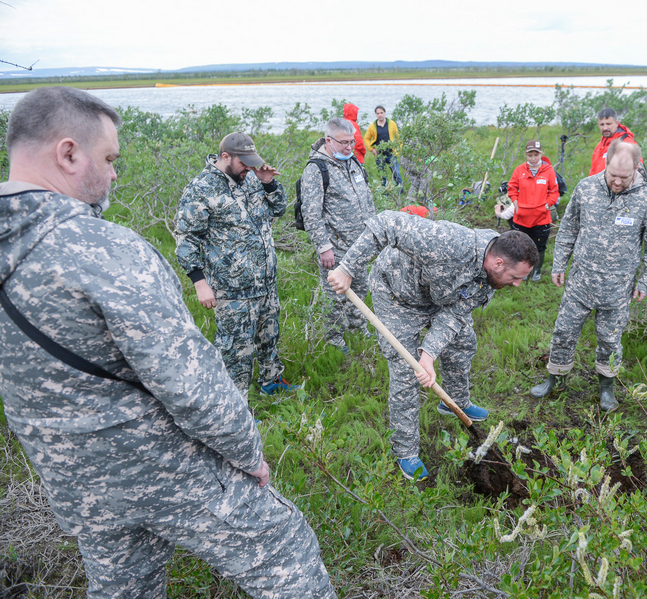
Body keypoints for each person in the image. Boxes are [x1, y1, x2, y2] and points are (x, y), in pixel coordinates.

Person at [0, 86, 336, 598]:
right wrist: (248, 453)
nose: (114, 172)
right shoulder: (106, 250)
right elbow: (190, 382)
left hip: (74, 479)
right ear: (68, 153)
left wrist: (268, 182)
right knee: (285, 548)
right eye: (109, 157)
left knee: (123, 586)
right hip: (153, 464)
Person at [328, 211, 538, 480]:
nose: (518, 285)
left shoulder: (490, 279)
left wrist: (428, 356)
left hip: (438, 298)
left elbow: (454, 316)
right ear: (498, 263)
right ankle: (405, 450)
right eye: (515, 277)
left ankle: (454, 402)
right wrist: (347, 269)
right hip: (397, 297)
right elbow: (386, 224)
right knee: (406, 371)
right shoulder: (447, 243)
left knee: (463, 341)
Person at [531, 140, 647, 411]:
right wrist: (559, 264)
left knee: (610, 340)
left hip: (618, 289)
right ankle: (555, 380)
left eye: (624, 177)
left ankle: (607, 388)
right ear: (605, 165)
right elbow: (569, 227)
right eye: (613, 175)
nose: (617, 182)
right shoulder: (586, 188)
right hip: (580, 283)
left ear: (636, 168)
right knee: (563, 333)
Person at [175, 131, 300, 397]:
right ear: (225, 157)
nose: (249, 168)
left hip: (265, 281)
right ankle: (235, 406)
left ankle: (271, 380)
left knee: (269, 336)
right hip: (232, 290)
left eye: (252, 163)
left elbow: (278, 210)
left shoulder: (252, 179)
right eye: (244, 163)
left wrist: (267, 183)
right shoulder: (201, 188)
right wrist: (199, 282)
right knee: (235, 350)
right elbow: (186, 239)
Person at [301, 118, 378, 352]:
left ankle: (358, 329)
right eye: (344, 142)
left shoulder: (352, 162)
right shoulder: (316, 169)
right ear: (329, 141)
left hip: (359, 245)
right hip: (335, 248)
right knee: (335, 297)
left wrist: (374, 233)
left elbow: (367, 198)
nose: (349, 146)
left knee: (361, 289)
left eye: (352, 141)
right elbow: (311, 213)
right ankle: (334, 339)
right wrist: (324, 247)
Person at [494, 139, 560, 282]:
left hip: (541, 219)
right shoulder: (519, 170)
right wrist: (516, 204)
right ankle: (522, 272)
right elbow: (512, 188)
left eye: (536, 154)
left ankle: (536, 271)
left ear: (541, 154)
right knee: (522, 246)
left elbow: (554, 192)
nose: (533, 158)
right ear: (526, 155)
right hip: (522, 218)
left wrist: (546, 206)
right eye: (530, 155)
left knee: (539, 246)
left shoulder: (548, 171)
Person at [589, 108, 639, 176]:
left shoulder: (627, 143)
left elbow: (636, 174)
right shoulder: (599, 145)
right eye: (602, 124)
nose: (605, 128)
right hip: (598, 185)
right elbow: (592, 172)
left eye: (608, 124)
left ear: (616, 123)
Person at [363, 105, 403, 188]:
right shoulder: (373, 126)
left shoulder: (391, 124)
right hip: (379, 155)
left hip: (391, 154)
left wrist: (398, 150)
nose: (380, 115)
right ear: (376, 115)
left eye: (381, 112)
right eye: (378, 113)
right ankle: (385, 193)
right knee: (382, 176)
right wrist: (371, 149)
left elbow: (398, 137)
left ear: (385, 113)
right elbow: (366, 138)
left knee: (397, 174)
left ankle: (400, 192)